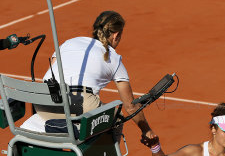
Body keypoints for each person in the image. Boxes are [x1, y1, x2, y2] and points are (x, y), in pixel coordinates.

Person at [34, 10, 155, 140]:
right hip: (77, 107)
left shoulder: (69, 42)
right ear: (116, 35)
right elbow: (130, 107)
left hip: (43, 105)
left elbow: (51, 73)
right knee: (117, 118)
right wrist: (146, 130)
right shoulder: (114, 58)